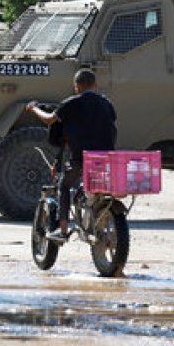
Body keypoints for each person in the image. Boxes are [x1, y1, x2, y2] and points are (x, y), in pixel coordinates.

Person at [26, 69, 117, 241]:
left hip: (81, 159)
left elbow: (49, 119)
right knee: (91, 184)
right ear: (95, 85)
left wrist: (34, 108)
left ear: (76, 86)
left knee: (64, 185)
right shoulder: (107, 103)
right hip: (106, 158)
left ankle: (62, 229)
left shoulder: (71, 103)